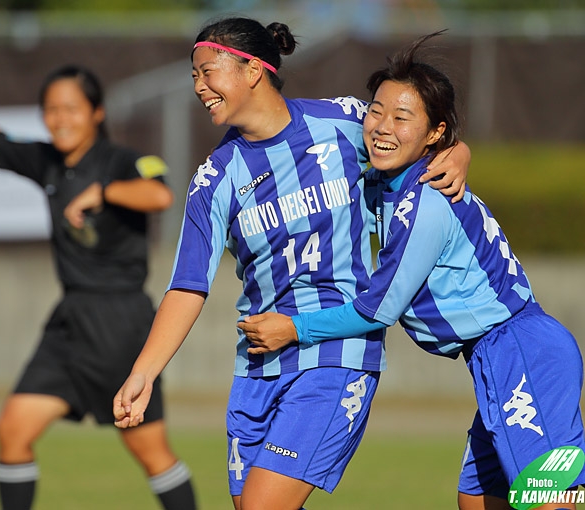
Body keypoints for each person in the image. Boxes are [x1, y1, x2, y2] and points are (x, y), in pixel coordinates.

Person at [113, 18, 470, 510]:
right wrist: (144, 373)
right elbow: (187, 286)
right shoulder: (215, 178)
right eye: (193, 75)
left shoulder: (343, 121)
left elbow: (414, 126)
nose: (199, 86)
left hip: (335, 355)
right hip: (258, 364)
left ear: (254, 70)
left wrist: (457, 150)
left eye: (207, 71)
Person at [238, 31, 585, 510]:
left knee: (550, 497)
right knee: (477, 497)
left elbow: (379, 309)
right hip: (492, 357)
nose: (382, 125)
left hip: (521, 350)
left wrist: (293, 329)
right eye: (376, 111)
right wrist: (459, 149)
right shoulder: (391, 176)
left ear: (434, 133)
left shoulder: (425, 200)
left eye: (403, 117)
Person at [0, 65, 197, 510]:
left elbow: (159, 195)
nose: (59, 118)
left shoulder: (120, 160)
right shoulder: (48, 162)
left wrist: (104, 192)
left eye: (71, 109)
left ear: (97, 112)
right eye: (50, 110)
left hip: (119, 323)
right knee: (13, 430)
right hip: (68, 323)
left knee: (150, 451)